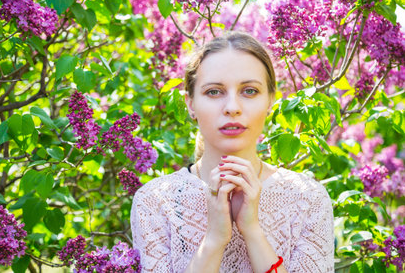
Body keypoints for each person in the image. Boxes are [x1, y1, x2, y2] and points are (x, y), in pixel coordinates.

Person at [130, 32, 334, 272]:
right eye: (214, 92)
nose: (232, 108)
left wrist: (252, 231)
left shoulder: (307, 199)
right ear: (190, 103)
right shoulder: (154, 202)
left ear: (270, 101)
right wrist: (214, 239)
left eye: (249, 91)